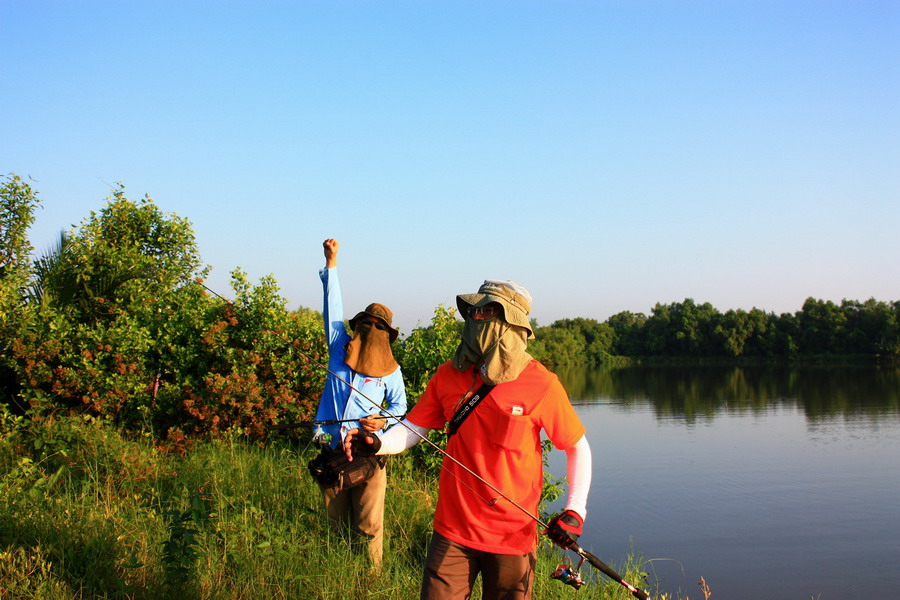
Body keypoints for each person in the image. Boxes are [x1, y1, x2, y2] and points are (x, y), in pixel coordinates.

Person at [344, 279, 592, 600]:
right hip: (452, 531)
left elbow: (576, 446)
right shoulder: (447, 374)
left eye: (488, 311)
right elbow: (414, 428)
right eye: (473, 311)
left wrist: (575, 511)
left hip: (512, 536)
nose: (476, 318)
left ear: (511, 321)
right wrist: (377, 443)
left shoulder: (541, 382)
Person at [313, 238, 407, 568]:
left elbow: (400, 409)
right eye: (367, 323)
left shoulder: (391, 370)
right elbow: (332, 308)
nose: (372, 329)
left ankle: (372, 579)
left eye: (379, 326)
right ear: (358, 325)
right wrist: (332, 261)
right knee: (335, 524)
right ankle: (338, 573)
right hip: (329, 446)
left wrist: (382, 421)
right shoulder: (339, 346)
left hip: (368, 454)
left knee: (369, 526)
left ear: (387, 333)